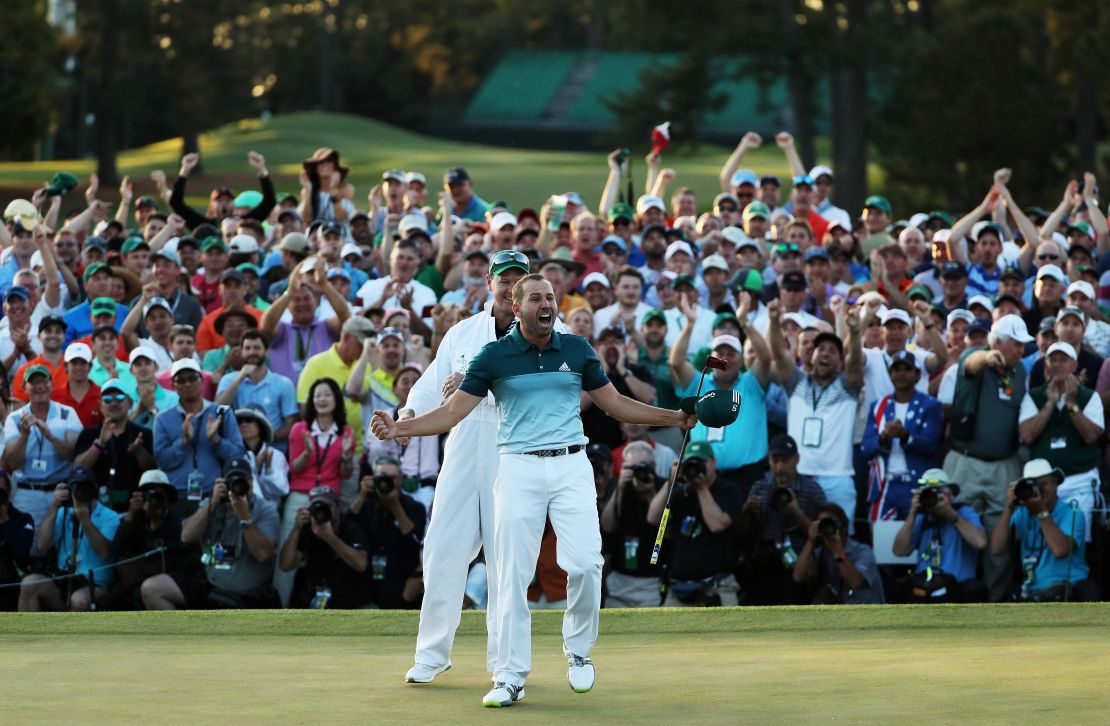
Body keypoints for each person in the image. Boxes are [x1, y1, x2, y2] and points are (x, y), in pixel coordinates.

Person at [371, 274, 695, 708]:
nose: (547, 304)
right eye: (536, 298)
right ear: (516, 304)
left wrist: (675, 418)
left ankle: (577, 651)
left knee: (584, 564)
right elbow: (450, 414)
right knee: (512, 576)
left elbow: (615, 404)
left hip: (570, 465)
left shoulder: (576, 347)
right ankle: (509, 675)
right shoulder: (493, 356)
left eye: (551, 298)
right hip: (519, 468)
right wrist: (399, 428)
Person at [395, 249, 532, 686]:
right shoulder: (462, 331)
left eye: (519, 280)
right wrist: (408, 417)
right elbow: (431, 383)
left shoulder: (546, 330)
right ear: (489, 284)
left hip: (512, 449)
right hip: (460, 445)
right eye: (504, 279)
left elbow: (541, 393)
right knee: (441, 549)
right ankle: (432, 655)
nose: (511, 287)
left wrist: (475, 387)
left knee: (504, 559)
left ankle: (504, 663)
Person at [943, 314, 1030, 602]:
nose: (1021, 350)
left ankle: (995, 603)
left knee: (1001, 541)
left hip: (1004, 464)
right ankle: (949, 600)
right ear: (998, 342)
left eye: (1023, 345)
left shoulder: (1020, 372)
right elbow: (970, 363)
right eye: (1016, 344)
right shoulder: (976, 356)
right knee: (955, 530)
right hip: (965, 462)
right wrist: (988, 356)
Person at [769, 299, 865, 525]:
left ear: (840, 361)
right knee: (797, 538)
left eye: (833, 351)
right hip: (798, 476)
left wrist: (855, 331)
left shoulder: (848, 386)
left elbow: (855, 364)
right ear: (810, 355)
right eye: (821, 348)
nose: (826, 354)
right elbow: (779, 353)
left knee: (838, 543)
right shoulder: (796, 383)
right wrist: (774, 322)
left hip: (838, 479)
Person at [670, 292, 772, 499]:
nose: (725, 358)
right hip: (703, 475)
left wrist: (744, 322)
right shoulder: (700, 383)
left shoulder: (751, 383)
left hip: (747, 477)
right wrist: (690, 324)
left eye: (731, 353)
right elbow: (676, 363)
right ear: (710, 358)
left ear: (741, 359)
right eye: (719, 353)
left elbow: (766, 357)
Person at [1018, 341, 1104, 541]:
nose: (1057, 364)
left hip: (1080, 483)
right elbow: (1027, 435)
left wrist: (1072, 404)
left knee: (1078, 541)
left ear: (1074, 365)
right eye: (1052, 360)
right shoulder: (1034, 397)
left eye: (1063, 360)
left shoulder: (1089, 397)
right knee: (1040, 541)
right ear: (1045, 365)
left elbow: (1091, 435)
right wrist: (1049, 404)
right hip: (1042, 486)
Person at [989, 459, 1097, 601]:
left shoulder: (1073, 513)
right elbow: (997, 548)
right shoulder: (1023, 513)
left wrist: (1041, 512)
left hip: (1069, 589)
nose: (1038, 490)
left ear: (1056, 484)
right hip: (1032, 592)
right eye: (1032, 485)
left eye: (1043, 484)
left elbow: (1060, 550)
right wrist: (1009, 507)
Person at [737, 434, 827, 605]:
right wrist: (748, 513)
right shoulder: (760, 487)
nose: (778, 468)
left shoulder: (812, 490)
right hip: (762, 566)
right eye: (774, 461)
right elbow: (742, 535)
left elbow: (823, 537)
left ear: (797, 459)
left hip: (797, 567)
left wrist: (796, 512)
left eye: (784, 461)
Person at [18, 468, 120, 611]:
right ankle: (26, 632)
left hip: (95, 584)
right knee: (29, 584)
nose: (80, 492)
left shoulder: (110, 516)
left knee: (78, 600)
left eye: (84, 487)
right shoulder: (63, 512)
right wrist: (54, 506)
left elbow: (104, 552)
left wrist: (84, 520)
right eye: (75, 486)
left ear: (95, 488)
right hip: (63, 579)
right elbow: (42, 545)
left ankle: (70, 632)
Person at [859, 351, 944, 522]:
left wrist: (905, 436)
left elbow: (930, 445)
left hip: (917, 485)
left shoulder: (931, 405)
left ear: (917, 375)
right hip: (884, 486)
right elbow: (865, 448)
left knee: (915, 541)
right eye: (896, 370)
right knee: (881, 544)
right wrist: (883, 436)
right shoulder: (878, 406)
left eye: (907, 369)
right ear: (890, 374)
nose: (901, 374)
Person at [152, 358, 246, 507]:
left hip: (214, 495)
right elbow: (163, 462)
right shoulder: (163, 419)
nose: (187, 384)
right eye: (181, 380)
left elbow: (238, 456)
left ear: (201, 380)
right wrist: (183, 442)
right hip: (177, 497)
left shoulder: (222, 413)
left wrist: (216, 440)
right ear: (173, 385)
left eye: (192, 378)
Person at [892, 469, 987, 603]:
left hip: (957, 593)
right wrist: (912, 513)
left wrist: (951, 515)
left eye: (936, 493)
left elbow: (981, 542)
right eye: (928, 494)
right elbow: (899, 551)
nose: (932, 499)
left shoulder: (964, 513)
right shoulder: (922, 518)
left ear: (950, 495)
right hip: (924, 591)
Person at [2, 365, 82, 526]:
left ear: (51, 385)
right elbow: (13, 463)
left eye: (44, 381)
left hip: (61, 490)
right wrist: (24, 435)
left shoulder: (67, 413)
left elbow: (73, 454)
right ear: (25, 388)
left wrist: (50, 436)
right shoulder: (15, 418)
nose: (39, 386)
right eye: (33, 382)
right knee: (29, 546)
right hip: (27, 494)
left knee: (61, 547)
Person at [348, 457, 427, 609]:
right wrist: (362, 494)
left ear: (400, 480)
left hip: (399, 582)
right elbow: (349, 522)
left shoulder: (414, 507)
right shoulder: (367, 504)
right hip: (367, 581)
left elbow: (415, 540)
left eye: (393, 478)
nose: (387, 482)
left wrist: (395, 506)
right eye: (383, 478)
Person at [106, 470, 189, 611]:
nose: (154, 500)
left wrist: (157, 522)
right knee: (108, 603)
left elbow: (178, 555)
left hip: (162, 581)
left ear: (167, 498)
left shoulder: (176, 522)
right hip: (132, 584)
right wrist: (131, 515)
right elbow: (116, 552)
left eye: (159, 496)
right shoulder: (134, 521)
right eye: (150, 495)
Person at [279, 486, 369, 609]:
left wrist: (330, 538)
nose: (322, 511)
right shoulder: (309, 529)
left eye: (327, 507)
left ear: (338, 508)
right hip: (317, 600)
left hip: (349, 602)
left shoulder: (351, 527)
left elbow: (361, 564)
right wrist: (296, 529)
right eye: (317, 507)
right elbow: (285, 565)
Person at [72, 378, 155, 512]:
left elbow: (152, 469)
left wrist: (140, 452)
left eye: (120, 398)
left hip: (136, 510)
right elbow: (79, 467)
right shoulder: (89, 433)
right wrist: (99, 444)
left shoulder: (143, 433)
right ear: (100, 405)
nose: (114, 403)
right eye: (107, 399)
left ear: (130, 403)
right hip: (97, 509)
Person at [600, 442, 664, 607]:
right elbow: (607, 526)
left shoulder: (663, 487)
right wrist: (620, 488)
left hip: (651, 582)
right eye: (631, 468)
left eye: (643, 466)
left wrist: (651, 495)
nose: (638, 472)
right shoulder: (621, 487)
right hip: (620, 582)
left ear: (654, 466)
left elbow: (666, 532)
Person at [215, 329, 299, 453]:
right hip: (239, 450)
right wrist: (240, 377)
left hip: (275, 450)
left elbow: (291, 424)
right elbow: (218, 407)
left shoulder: (283, 383)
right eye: (247, 348)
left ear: (266, 351)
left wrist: (264, 438)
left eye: (256, 348)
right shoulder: (229, 379)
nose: (252, 352)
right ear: (241, 351)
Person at [792, 503, 884, 604]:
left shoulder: (862, 551)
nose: (827, 527)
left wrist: (838, 552)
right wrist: (810, 541)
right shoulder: (821, 553)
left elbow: (855, 582)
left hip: (865, 610)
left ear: (843, 527)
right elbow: (798, 576)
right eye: (822, 524)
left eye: (831, 523)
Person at [234, 406, 289, 508]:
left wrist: (268, 470)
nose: (243, 425)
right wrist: (255, 468)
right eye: (239, 422)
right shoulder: (234, 456)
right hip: (240, 513)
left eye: (249, 420)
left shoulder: (276, 455)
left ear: (261, 426)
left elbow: (281, 490)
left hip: (269, 514)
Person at [0, 483, 34, 611]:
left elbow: (21, 554)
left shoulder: (23, 519)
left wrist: (5, 521)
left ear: (8, 494)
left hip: (12, 585)